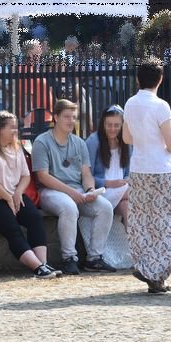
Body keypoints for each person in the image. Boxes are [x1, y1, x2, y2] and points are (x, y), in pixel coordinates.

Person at [122, 57, 171, 294]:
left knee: (144, 223)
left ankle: (149, 271)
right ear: (160, 79)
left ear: (138, 78)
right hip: (160, 170)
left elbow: (127, 139)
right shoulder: (161, 106)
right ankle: (155, 271)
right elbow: (170, 144)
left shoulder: (130, 103)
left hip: (138, 169)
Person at [0, 111, 60, 279]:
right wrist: (8, 198)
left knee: (34, 218)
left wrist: (17, 193)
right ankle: (37, 268)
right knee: (12, 229)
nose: (15, 131)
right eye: (11, 128)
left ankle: (43, 264)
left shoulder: (16, 146)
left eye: (16, 127)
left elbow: (26, 176)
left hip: (13, 195)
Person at [33, 99, 117, 276]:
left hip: (77, 189)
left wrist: (89, 190)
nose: (71, 121)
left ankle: (94, 258)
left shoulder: (79, 142)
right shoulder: (42, 142)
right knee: (69, 207)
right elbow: (43, 177)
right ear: (55, 117)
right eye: (66, 117)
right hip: (51, 191)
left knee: (105, 207)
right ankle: (69, 258)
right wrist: (71, 192)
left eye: (74, 117)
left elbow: (86, 174)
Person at [86, 106, 132, 224]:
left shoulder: (126, 142)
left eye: (116, 125)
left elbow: (127, 173)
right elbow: (87, 175)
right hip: (103, 192)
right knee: (140, 193)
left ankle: (134, 242)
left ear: (122, 125)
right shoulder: (93, 141)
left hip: (122, 191)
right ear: (103, 124)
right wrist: (110, 183)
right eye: (109, 125)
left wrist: (126, 180)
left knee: (127, 208)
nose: (112, 129)